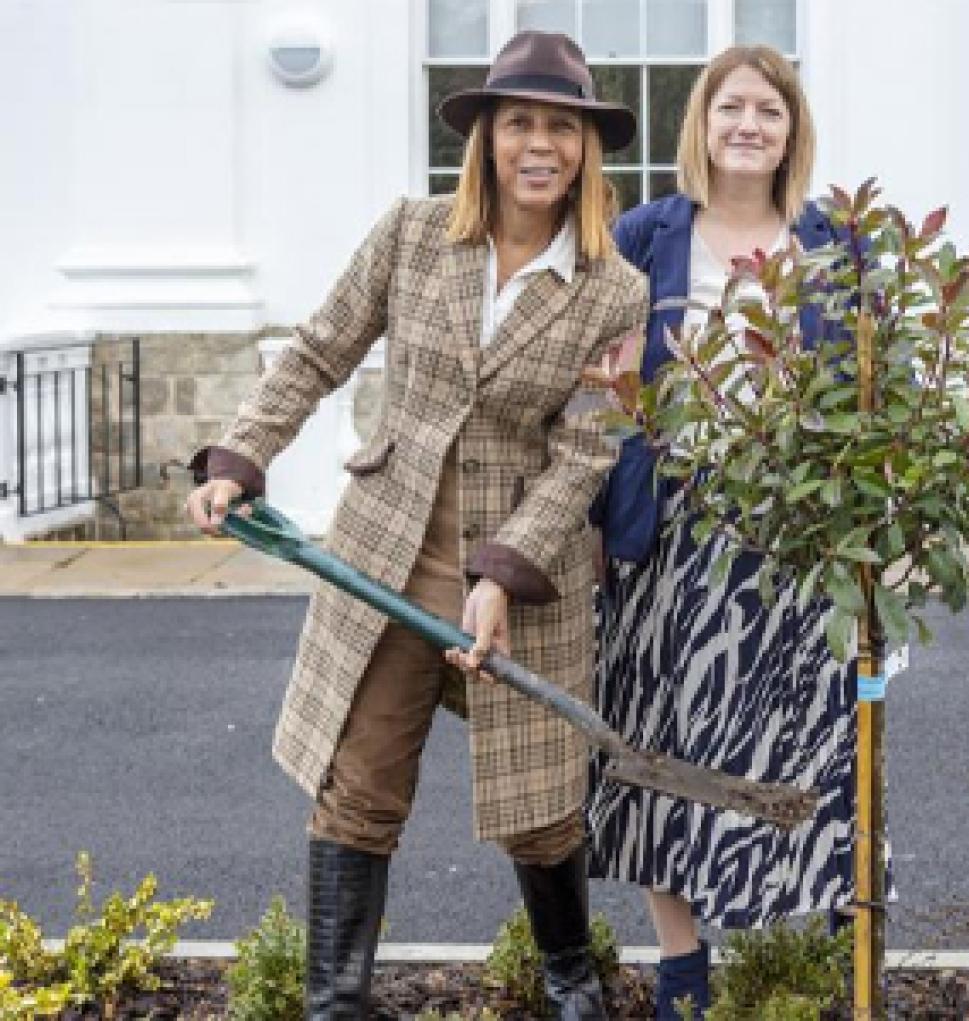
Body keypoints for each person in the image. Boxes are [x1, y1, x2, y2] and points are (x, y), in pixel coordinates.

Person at [185, 30, 647, 1021]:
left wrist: (501, 571)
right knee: (359, 789)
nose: (538, 144)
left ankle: (569, 975)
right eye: (517, 120)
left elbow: (584, 452)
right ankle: (333, 1000)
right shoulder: (410, 234)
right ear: (483, 135)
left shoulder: (614, 287)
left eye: (560, 127)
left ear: (584, 148)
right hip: (387, 560)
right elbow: (317, 351)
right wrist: (238, 457)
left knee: (540, 805)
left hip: (521, 578)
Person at [586, 45, 859, 1020]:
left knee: (811, 742)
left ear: (792, 132)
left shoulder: (834, 245)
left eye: (768, 111)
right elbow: (598, 381)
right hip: (667, 531)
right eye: (730, 107)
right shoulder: (644, 236)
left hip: (796, 539)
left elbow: (869, 399)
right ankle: (682, 968)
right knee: (665, 744)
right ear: (700, 124)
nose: (748, 124)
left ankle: (828, 951)